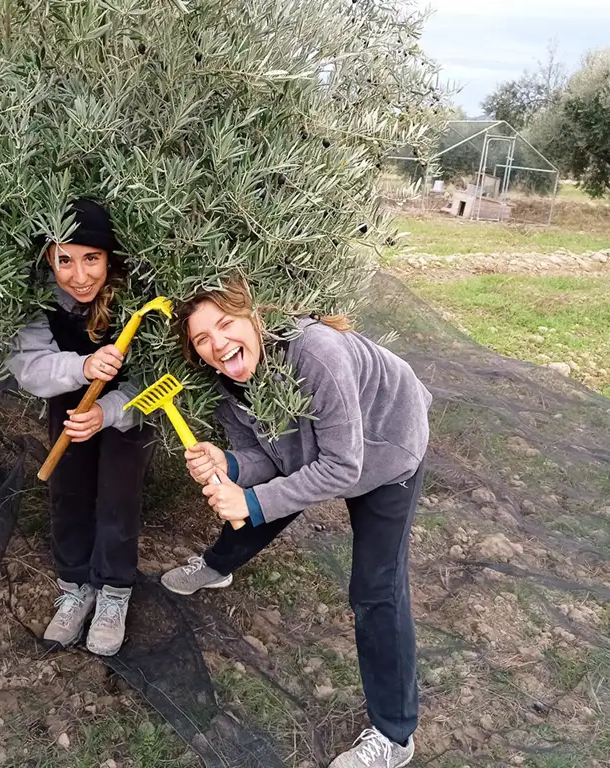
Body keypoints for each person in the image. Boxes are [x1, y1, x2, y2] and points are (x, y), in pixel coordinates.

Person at [161, 277, 432, 768]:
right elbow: (270, 457)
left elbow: (342, 468)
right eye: (202, 339)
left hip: (386, 447)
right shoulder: (228, 381)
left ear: (254, 318)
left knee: (376, 589)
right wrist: (230, 464)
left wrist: (252, 501)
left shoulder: (317, 353)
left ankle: (394, 735)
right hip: (326, 454)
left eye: (225, 325)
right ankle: (217, 566)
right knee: (256, 502)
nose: (218, 344)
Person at [5, 198, 154, 657]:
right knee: (68, 491)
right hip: (68, 401)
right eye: (65, 259)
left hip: (126, 411)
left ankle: (113, 592)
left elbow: (153, 383)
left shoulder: (136, 302)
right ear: (50, 258)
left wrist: (107, 412)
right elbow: (29, 366)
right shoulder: (38, 300)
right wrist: (86, 365)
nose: (80, 275)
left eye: (92, 258)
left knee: (117, 495)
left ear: (110, 258)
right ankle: (75, 587)